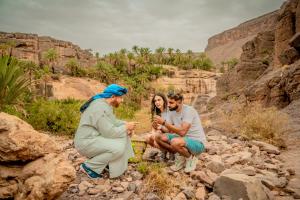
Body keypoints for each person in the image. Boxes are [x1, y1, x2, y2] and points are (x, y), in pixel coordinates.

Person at [74, 84, 136, 179]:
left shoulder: (105, 105)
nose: (122, 100)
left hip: (94, 138)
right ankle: (89, 167)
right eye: (121, 98)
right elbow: (109, 132)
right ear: (113, 97)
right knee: (118, 148)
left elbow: (113, 122)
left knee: (123, 136)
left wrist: (126, 124)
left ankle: (109, 164)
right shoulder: (99, 108)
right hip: (86, 142)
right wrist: (126, 127)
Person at [154, 92, 207, 173]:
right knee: (158, 137)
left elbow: (182, 132)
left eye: (171, 102)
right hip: (182, 139)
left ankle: (190, 158)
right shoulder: (172, 111)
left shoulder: (189, 111)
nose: (168, 105)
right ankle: (181, 156)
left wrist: (164, 122)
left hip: (197, 143)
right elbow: (170, 130)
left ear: (180, 102)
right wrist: (159, 127)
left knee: (174, 141)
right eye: (168, 102)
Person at [145, 93, 174, 161]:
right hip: (162, 135)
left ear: (164, 100)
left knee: (157, 133)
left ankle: (172, 153)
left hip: (171, 136)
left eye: (159, 100)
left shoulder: (170, 111)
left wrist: (160, 128)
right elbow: (153, 127)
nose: (157, 102)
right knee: (148, 137)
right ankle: (163, 152)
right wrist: (152, 132)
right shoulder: (158, 113)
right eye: (155, 101)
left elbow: (172, 130)